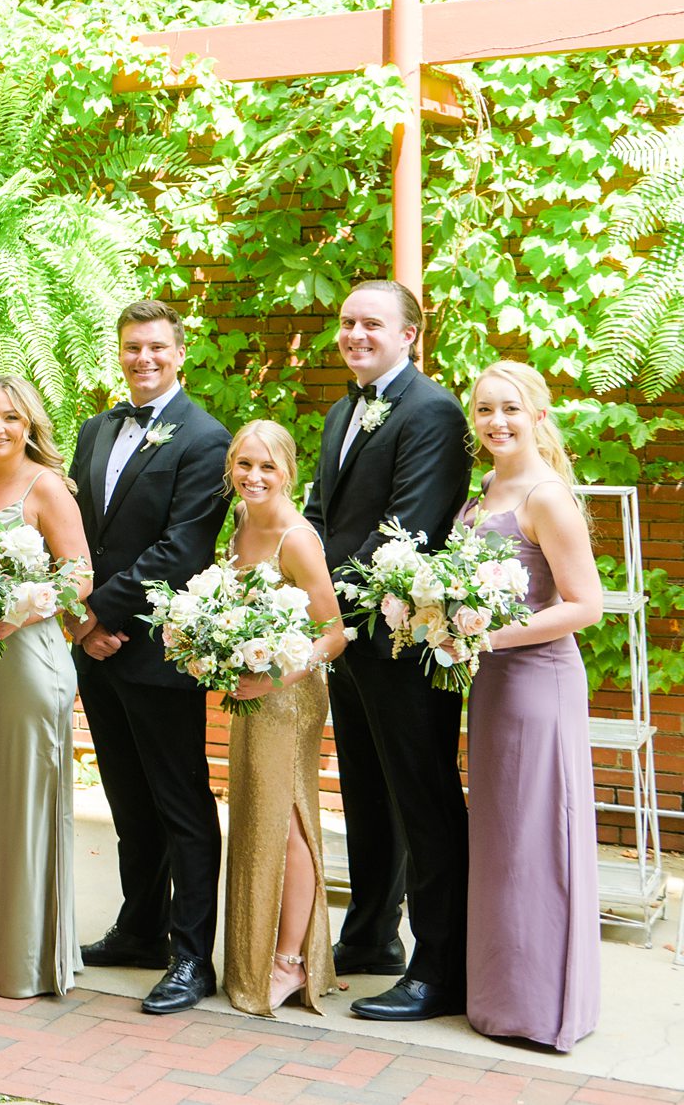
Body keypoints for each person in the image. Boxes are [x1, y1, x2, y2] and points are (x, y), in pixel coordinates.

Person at [304, 280, 471, 1021]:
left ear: (411, 332)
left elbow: (408, 529)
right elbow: (319, 515)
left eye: (371, 322)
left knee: (424, 798)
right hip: (350, 639)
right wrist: (296, 585)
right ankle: (371, 936)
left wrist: (326, 602)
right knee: (366, 795)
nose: (354, 333)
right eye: (346, 322)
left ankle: (441, 964)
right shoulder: (344, 407)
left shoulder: (432, 411)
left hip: (403, 640)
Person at [69, 301, 232, 1014]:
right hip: (96, 651)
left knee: (181, 803)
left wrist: (99, 610)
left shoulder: (205, 438)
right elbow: (72, 531)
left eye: (156, 346)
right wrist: (82, 624)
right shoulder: (95, 429)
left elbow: (181, 548)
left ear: (180, 353)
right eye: (132, 346)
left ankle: (193, 953)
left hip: (157, 649)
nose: (143, 358)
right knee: (127, 800)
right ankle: (139, 928)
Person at [462, 362, 601, 1052]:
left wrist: (491, 635)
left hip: (538, 681)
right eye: (485, 409)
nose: (497, 422)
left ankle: (542, 1006)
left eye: (510, 408)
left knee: (539, 833)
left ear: (539, 414)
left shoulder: (546, 496)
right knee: (501, 836)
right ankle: (499, 994)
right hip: (491, 682)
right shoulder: (486, 487)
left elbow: (585, 605)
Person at [0, 375, 90, 1000]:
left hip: (31, 663)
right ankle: (3, 950)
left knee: (32, 809)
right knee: (0, 808)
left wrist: (18, 609)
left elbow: (80, 577)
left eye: (11, 417)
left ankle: (30, 964)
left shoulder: (46, 487)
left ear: (30, 424)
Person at [216, 421, 345, 1018]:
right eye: (244, 464)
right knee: (257, 818)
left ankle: (290, 963)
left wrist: (275, 677)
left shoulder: (297, 537)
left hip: (288, 696)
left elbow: (333, 632)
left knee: (287, 820)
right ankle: (260, 951)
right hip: (251, 693)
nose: (254, 477)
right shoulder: (241, 523)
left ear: (289, 470)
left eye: (267, 467)